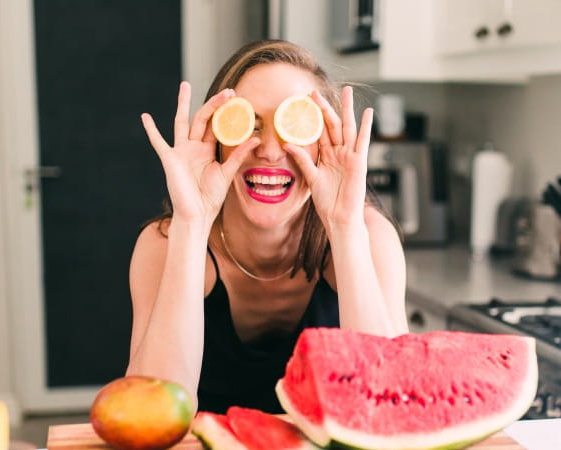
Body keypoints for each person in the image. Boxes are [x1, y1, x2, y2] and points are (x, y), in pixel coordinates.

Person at [128, 39, 408, 415]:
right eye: (249, 125)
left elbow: (392, 406)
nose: (271, 151)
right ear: (216, 139)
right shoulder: (163, 244)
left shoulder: (370, 237)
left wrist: (344, 228)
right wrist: (191, 226)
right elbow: (149, 414)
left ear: (327, 143)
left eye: (296, 127)